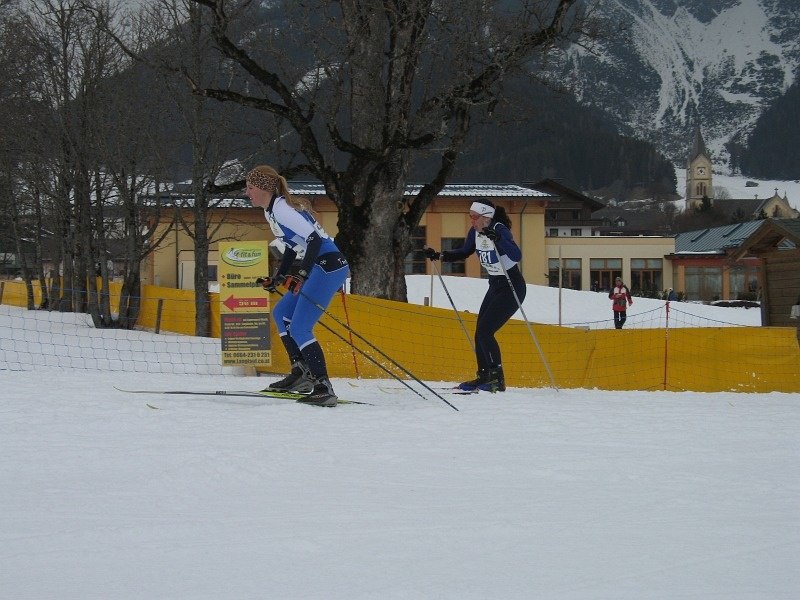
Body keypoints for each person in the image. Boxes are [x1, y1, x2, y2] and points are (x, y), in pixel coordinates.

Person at [245, 165, 349, 407]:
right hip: (319, 266)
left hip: (328, 266)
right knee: (281, 313)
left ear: (263, 188)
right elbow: (293, 247)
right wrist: (279, 277)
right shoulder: (272, 211)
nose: (247, 193)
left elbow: (314, 240)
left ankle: (323, 387)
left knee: (301, 328)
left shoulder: (282, 210)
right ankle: (301, 372)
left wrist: (301, 274)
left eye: (250, 188)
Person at [423, 199, 525, 392]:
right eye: (470, 216)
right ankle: (484, 375)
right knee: (480, 332)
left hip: (512, 287)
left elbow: (516, 255)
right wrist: (440, 256)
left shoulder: (499, 229)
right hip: (495, 285)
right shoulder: (475, 232)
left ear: (486, 217)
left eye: (475, 217)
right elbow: (464, 251)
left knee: (486, 331)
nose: (472, 220)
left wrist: (498, 239)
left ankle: (497, 379)